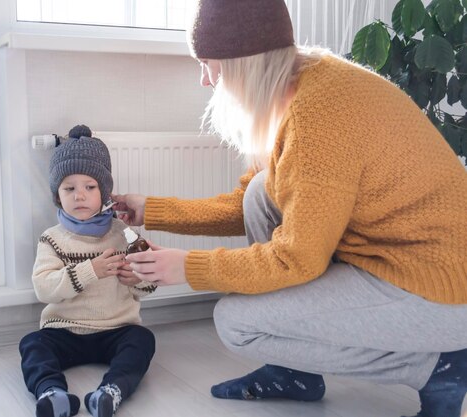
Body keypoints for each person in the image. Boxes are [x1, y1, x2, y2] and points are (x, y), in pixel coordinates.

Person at [112, 1, 467, 416]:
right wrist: (151, 210)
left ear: (246, 63)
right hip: (393, 259)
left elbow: (298, 257)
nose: (206, 81)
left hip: (439, 289)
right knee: (261, 192)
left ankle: (436, 366)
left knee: (236, 323)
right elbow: (244, 205)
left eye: (210, 65)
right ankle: (294, 373)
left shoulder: (321, 113)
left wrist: (187, 267)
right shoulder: (298, 84)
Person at [19, 125, 157, 417]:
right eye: (69, 188)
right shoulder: (52, 239)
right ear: (58, 195)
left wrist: (139, 277)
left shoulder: (124, 233)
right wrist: (89, 270)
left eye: (90, 187)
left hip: (116, 330)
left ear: (104, 192)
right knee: (32, 344)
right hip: (64, 331)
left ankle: (111, 392)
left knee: (143, 340)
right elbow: (44, 288)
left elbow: (151, 282)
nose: (79, 196)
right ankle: (51, 393)